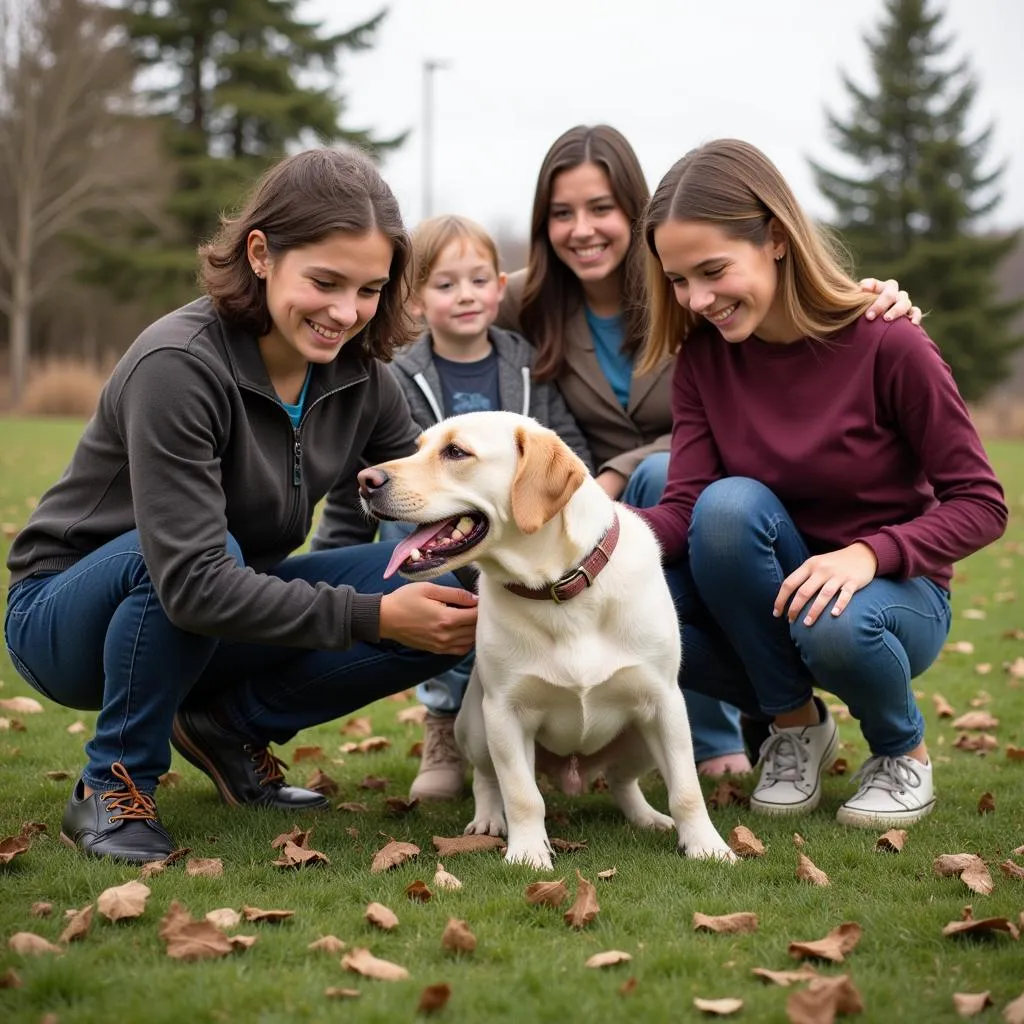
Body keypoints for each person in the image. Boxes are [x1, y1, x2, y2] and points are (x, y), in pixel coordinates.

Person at [314, 125, 919, 795]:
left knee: (671, 493)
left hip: (693, 495)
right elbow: (451, 295)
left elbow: (776, 317)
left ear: (637, 212)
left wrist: (861, 295)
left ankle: (724, 730)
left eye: (601, 208)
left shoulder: (690, 295)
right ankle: (466, 714)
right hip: (589, 511)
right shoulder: (528, 299)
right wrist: (341, 323)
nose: (582, 229)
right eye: (561, 213)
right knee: (500, 533)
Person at [3, 149, 478, 863]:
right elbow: (191, 579)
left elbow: (436, 499)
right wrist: (371, 616)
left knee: (436, 589)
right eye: (324, 281)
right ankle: (112, 784)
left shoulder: (363, 382)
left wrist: (535, 558)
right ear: (260, 254)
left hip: (211, 614)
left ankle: (227, 726)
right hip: (68, 621)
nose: (345, 313)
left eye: (369, 289)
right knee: (207, 558)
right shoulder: (179, 365)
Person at [636, 138, 1007, 827]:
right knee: (668, 580)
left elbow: (982, 504)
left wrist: (868, 555)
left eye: (713, 270)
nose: (698, 298)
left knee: (832, 621)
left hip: (893, 597)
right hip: (777, 588)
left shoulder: (889, 342)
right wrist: (587, 544)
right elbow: (686, 508)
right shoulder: (703, 361)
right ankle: (795, 724)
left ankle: (903, 753)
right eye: (680, 280)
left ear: (775, 238)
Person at [374, 213, 593, 801]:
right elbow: (397, 467)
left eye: (478, 280)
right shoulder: (401, 376)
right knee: (447, 602)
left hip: (518, 534)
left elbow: (564, 443)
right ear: (416, 301)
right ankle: (444, 722)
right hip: (444, 529)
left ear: (501, 288)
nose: (465, 295)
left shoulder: (526, 364)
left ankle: (550, 719)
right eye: (445, 285)